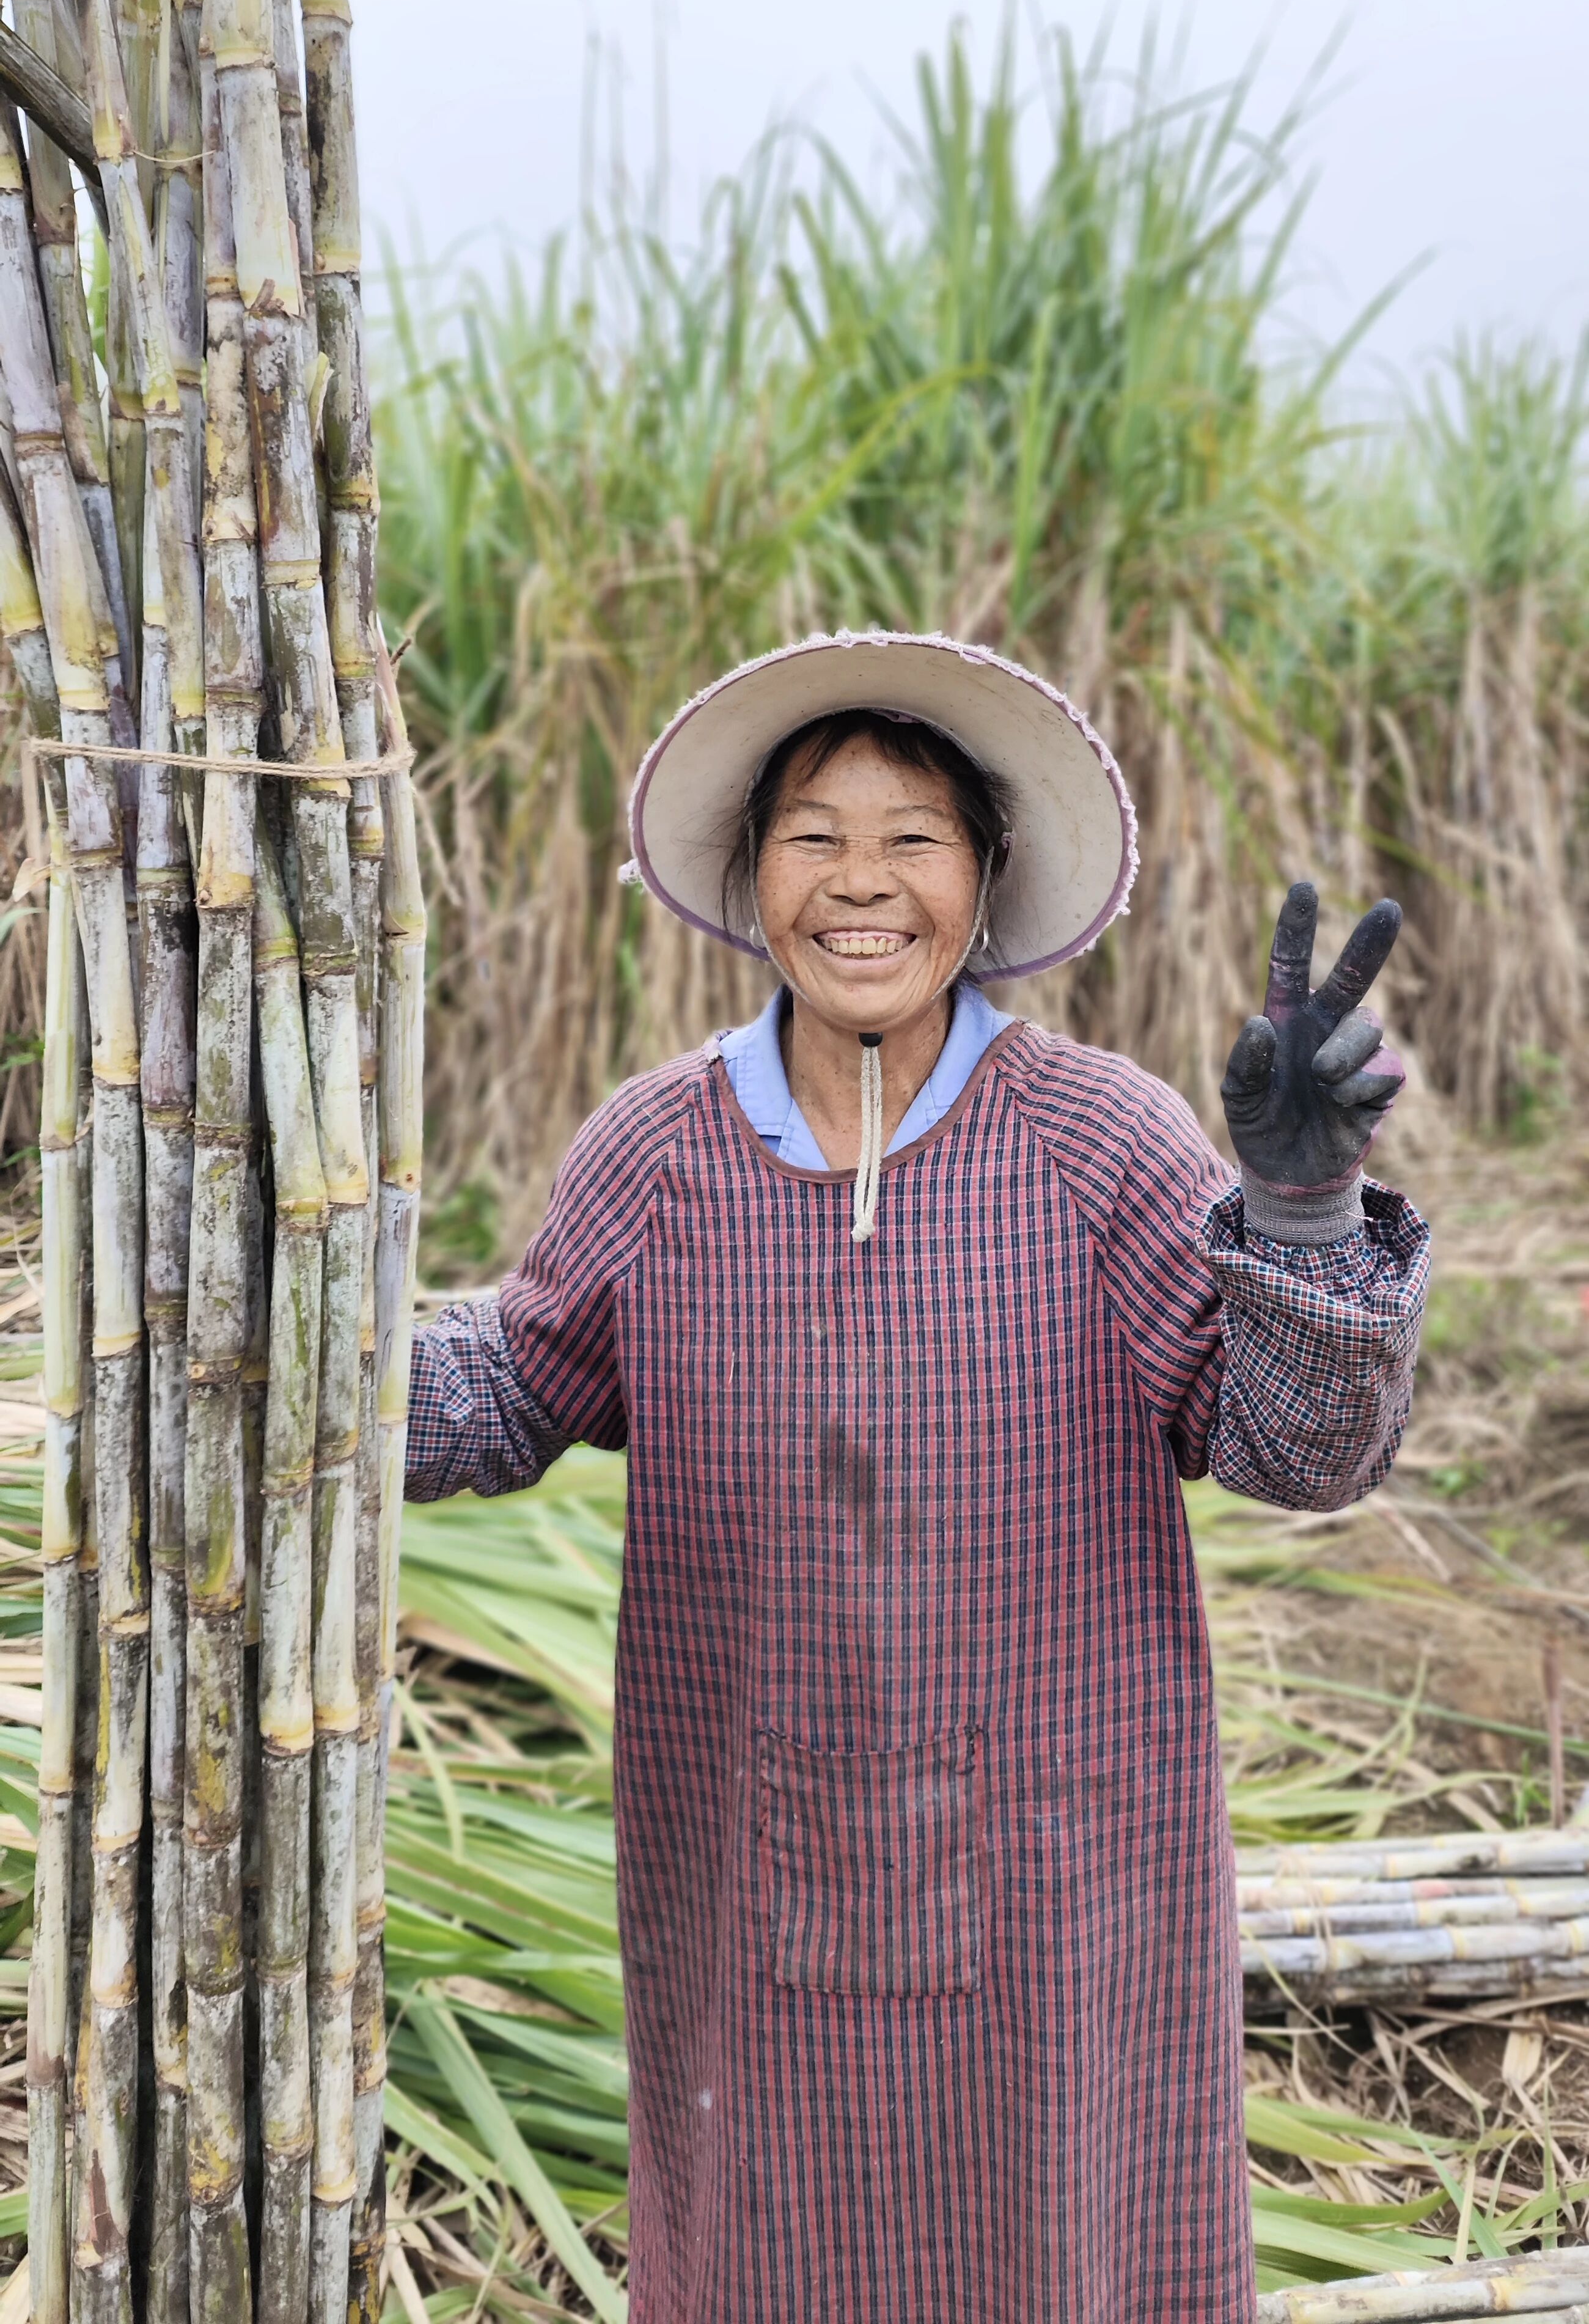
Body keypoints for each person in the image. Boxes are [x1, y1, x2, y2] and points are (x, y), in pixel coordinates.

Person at [406, 629, 1430, 2324]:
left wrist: (1306, 1219)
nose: (860, 884)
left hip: (1065, 1873)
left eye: (913, 839)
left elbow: (1301, 1453)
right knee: (769, 2255)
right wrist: (302, 1343)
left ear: (988, 875)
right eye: (814, 834)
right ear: (750, 875)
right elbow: (513, 1386)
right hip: (751, 1865)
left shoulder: (1098, 1140)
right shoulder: (660, 1151)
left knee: (1065, 2252)